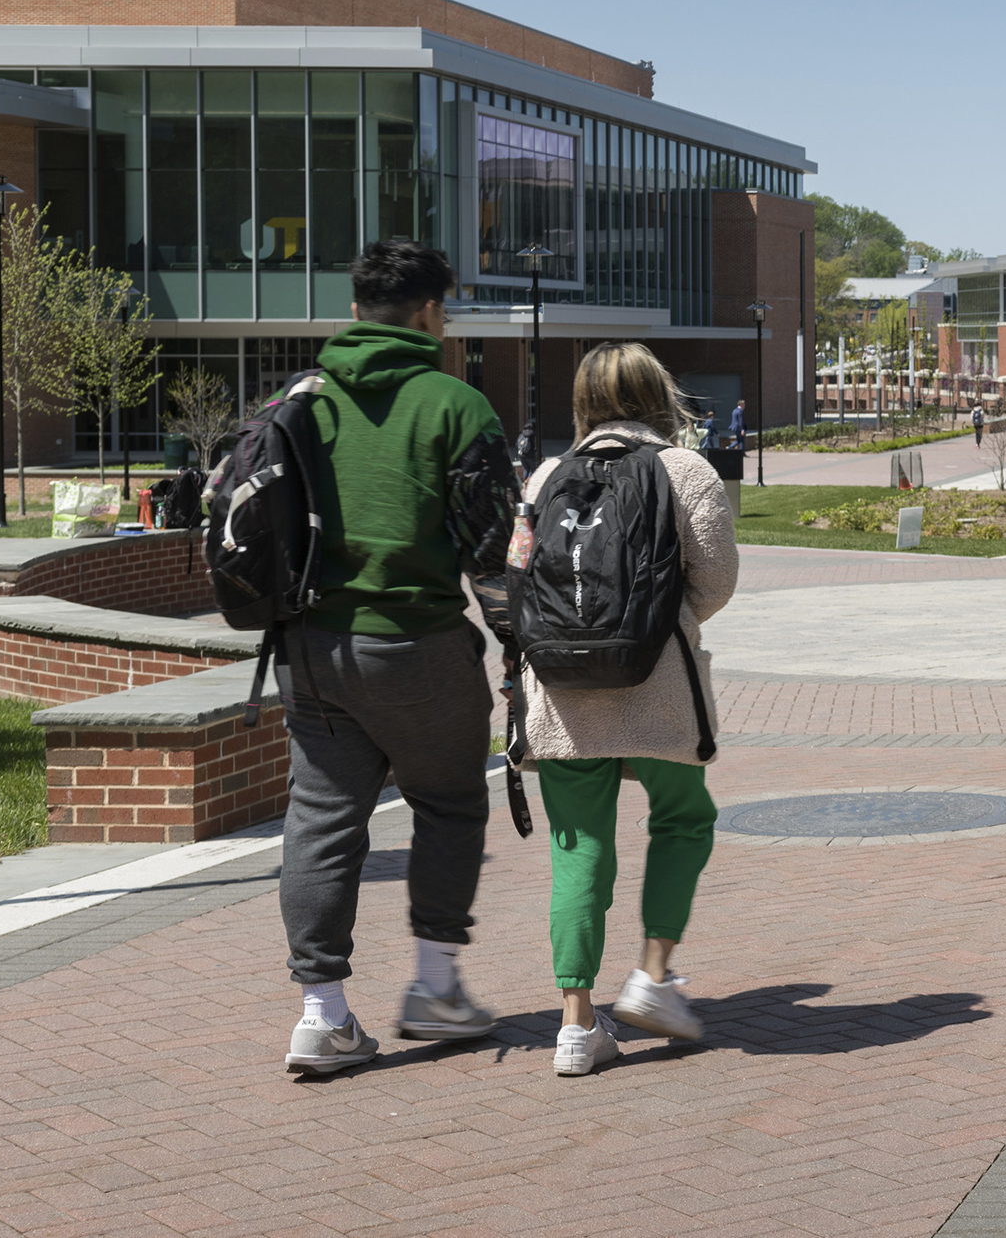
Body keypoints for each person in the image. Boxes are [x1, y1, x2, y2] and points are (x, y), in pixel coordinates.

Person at [279, 240, 516, 1075]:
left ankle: (322, 1014)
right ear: (431, 312)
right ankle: (435, 985)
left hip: (311, 648)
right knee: (449, 804)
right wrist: (519, 643)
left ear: (352, 311)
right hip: (419, 645)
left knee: (321, 820)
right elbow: (487, 548)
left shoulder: (300, 399)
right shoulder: (456, 405)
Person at [520, 342, 739, 1077]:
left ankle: (577, 1026)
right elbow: (715, 580)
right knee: (684, 818)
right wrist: (654, 622)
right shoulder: (684, 471)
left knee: (577, 851)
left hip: (563, 699)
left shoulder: (546, 475)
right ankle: (652, 972)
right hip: (659, 688)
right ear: (657, 396)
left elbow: (520, 577)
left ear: (583, 402)